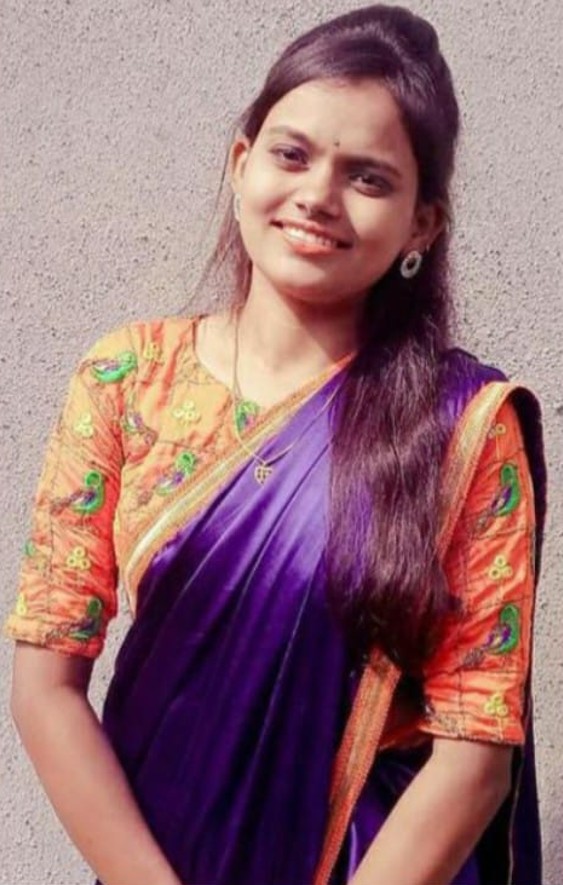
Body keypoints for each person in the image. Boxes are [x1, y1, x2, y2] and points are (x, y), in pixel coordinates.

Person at [5, 5, 547, 885]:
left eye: (368, 177)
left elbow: (473, 748)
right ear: (240, 162)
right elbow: (45, 683)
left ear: (421, 225)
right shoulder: (127, 379)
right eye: (291, 155)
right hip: (153, 857)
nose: (317, 197)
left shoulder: (460, 427)